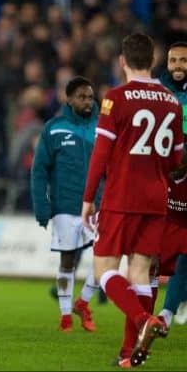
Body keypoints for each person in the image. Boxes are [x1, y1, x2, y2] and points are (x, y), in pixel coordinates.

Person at [81, 32, 183, 367]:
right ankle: (129, 353)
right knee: (141, 273)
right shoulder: (170, 100)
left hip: (122, 196)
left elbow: (100, 153)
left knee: (105, 270)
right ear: (153, 61)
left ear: (122, 61)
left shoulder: (116, 98)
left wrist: (88, 199)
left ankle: (143, 320)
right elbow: (178, 161)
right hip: (157, 198)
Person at [31, 76, 100, 333]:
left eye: (90, 97)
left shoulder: (101, 126)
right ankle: (66, 316)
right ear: (68, 99)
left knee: (106, 259)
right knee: (67, 261)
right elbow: (39, 171)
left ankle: (83, 302)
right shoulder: (54, 128)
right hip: (66, 206)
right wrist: (42, 207)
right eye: (81, 97)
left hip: (97, 206)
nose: (87, 102)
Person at [158, 41, 187, 327]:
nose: (178, 65)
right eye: (173, 60)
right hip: (167, 175)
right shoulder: (158, 91)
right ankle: (163, 313)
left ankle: (167, 311)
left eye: (183, 61)